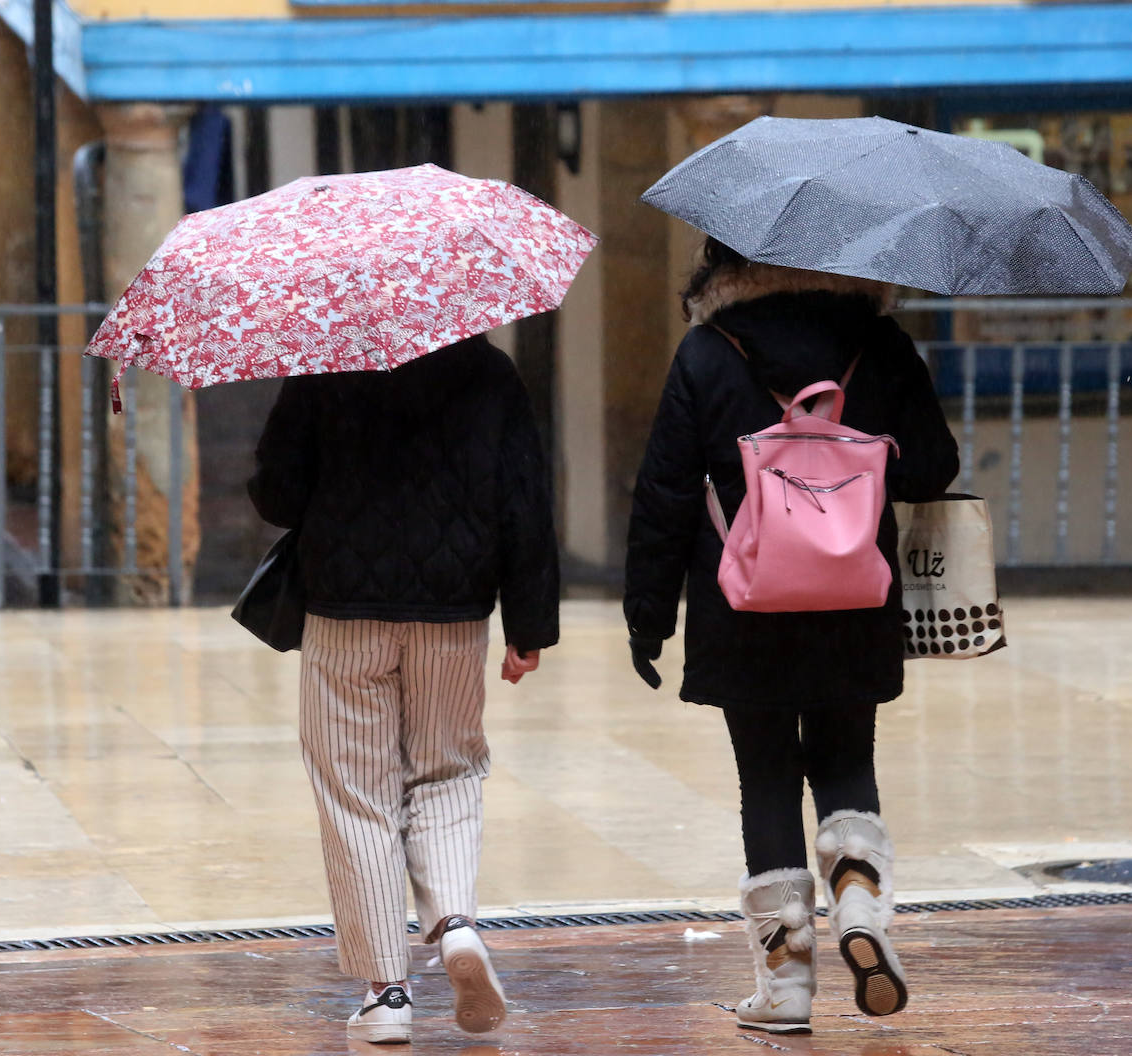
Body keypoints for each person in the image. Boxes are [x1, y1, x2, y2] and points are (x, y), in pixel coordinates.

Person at [623, 238, 959, 1035]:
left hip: (744, 606)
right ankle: (859, 901)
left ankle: (786, 988)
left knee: (766, 775)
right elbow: (931, 468)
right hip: (854, 600)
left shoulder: (708, 350)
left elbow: (665, 490)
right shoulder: (877, 343)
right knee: (847, 755)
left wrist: (648, 616)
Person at [247, 333, 559, 1045]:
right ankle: (454, 924)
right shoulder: (490, 372)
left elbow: (278, 493)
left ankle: (384, 992)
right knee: (447, 769)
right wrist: (529, 622)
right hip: (454, 612)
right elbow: (526, 503)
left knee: (356, 790)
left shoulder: (323, 360)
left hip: (344, 610)